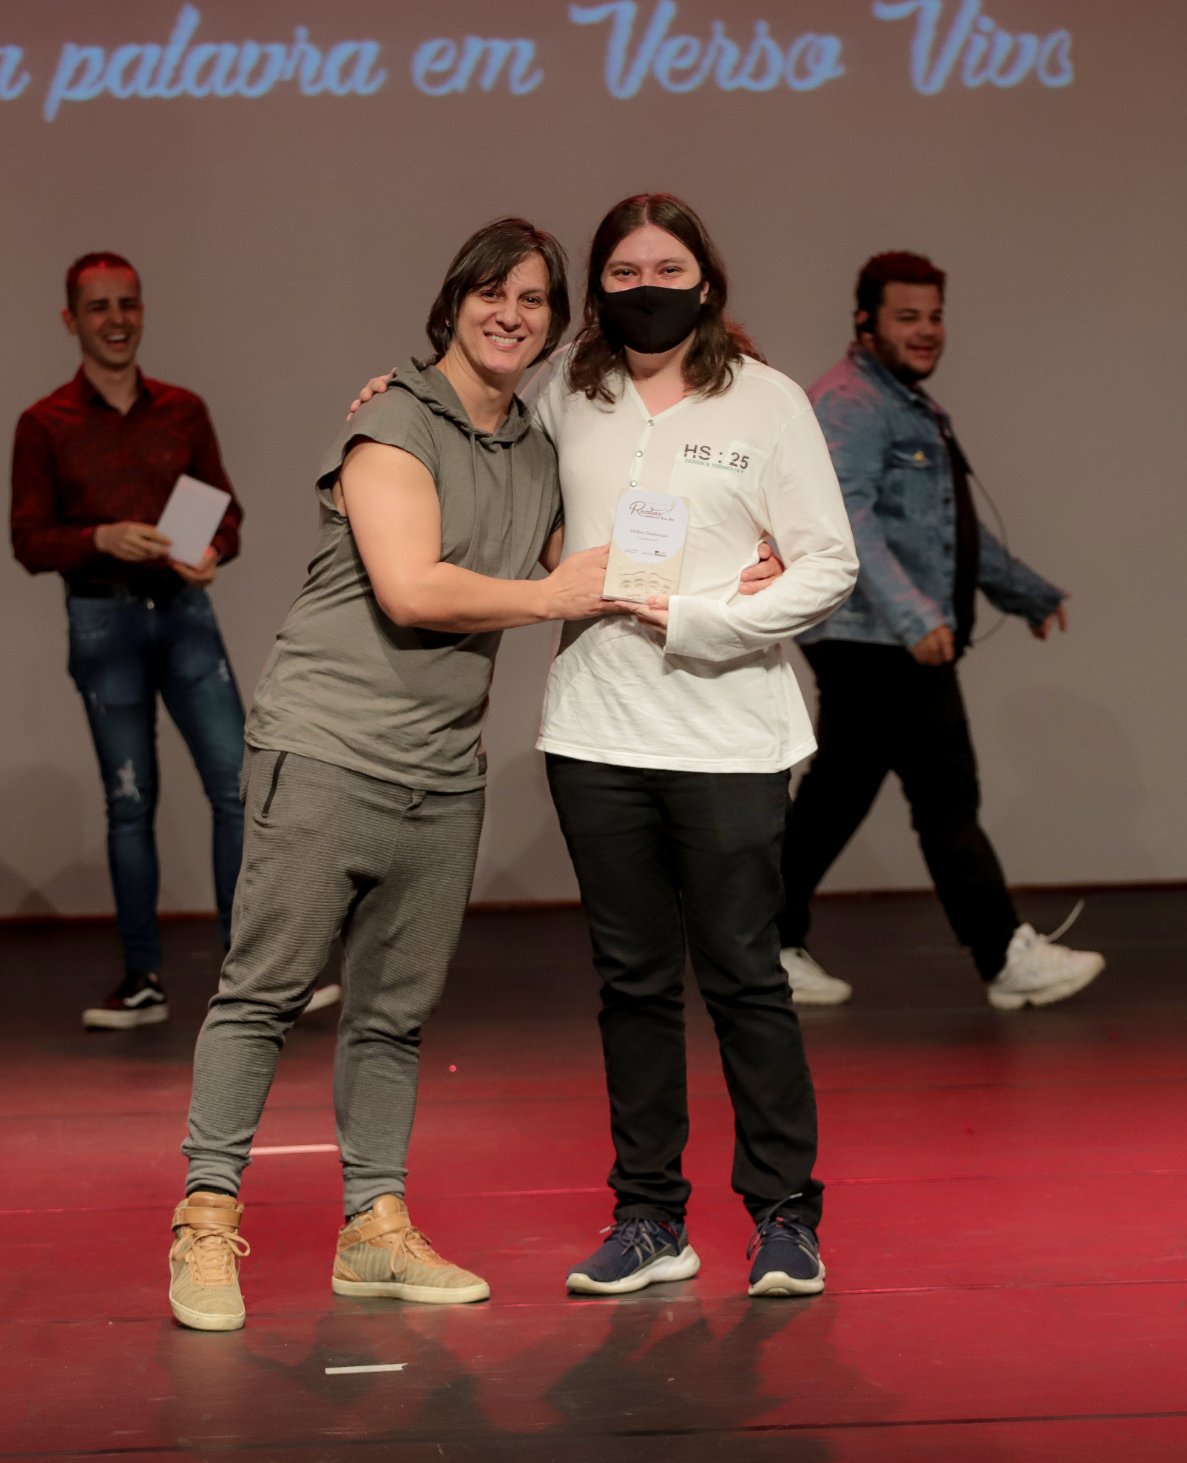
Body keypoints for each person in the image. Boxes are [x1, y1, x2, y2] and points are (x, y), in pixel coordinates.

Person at [165, 217, 629, 1333]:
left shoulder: (532, 449)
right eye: (491, 292)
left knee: (392, 1015)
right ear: (452, 303)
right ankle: (204, 1219)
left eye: (533, 299)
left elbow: (604, 555)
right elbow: (413, 588)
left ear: (553, 325)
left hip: (441, 770)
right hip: (328, 745)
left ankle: (373, 1226)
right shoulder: (392, 423)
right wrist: (551, 596)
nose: (510, 314)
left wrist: (734, 561)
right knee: (263, 992)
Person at [529, 195, 858, 1300]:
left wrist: (706, 618)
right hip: (595, 727)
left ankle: (783, 1214)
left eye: (666, 269)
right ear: (596, 287)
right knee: (630, 982)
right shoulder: (564, 392)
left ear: (705, 281)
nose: (645, 288)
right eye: (622, 272)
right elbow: (483, 465)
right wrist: (396, 395)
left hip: (727, 732)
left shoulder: (766, 400)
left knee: (743, 976)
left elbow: (826, 562)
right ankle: (648, 1218)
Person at [10, 254, 335, 1030]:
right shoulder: (45, 422)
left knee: (236, 786)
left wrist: (212, 548)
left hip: (184, 610)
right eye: (99, 307)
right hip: (104, 618)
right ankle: (142, 979)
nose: (116, 319)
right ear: (71, 320)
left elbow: (225, 512)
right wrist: (99, 537)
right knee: (130, 804)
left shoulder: (182, 410)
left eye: (127, 304)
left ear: (143, 311)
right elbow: (28, 538)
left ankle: (253, 973)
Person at [777, 251, 1104, 1011]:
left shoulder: (905, 403)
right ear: (866, 321)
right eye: (907, 317)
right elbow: (845, 521)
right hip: (876, 637)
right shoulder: (852, 403)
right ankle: (1005, 955)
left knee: (840, 795)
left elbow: (948, 530)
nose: (926, 331)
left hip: (882, 636)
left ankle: (765, 943)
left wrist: (1024, 592)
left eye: (934, 317)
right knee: (945, 797)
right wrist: (917, 616)